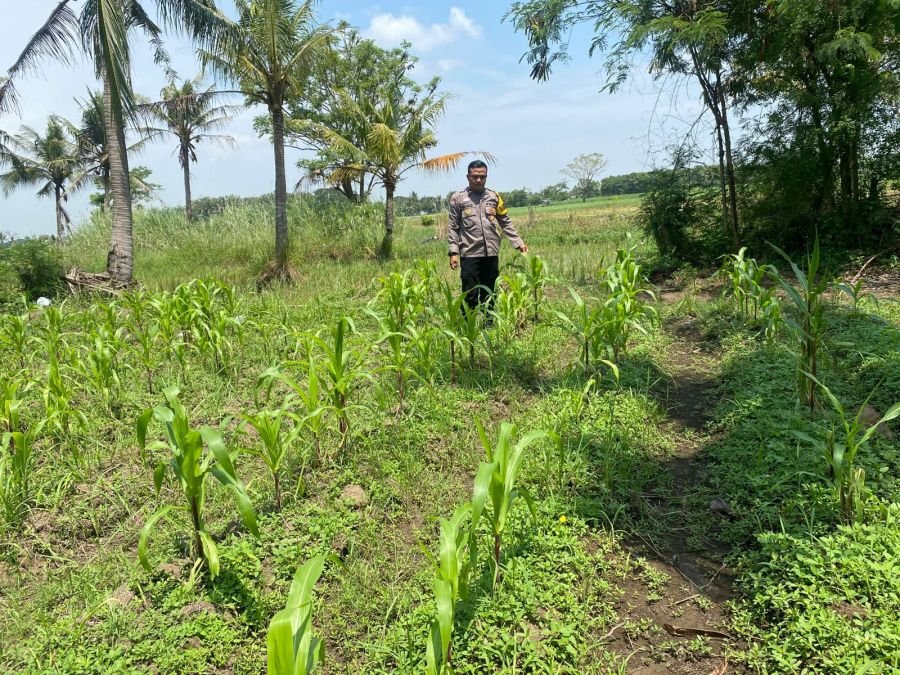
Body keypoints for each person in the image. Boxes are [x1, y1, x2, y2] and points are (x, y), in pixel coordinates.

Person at [447, 161, 528, 310]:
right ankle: (468, 326)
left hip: (490, 252)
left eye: (482, 177)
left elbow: (505, 221)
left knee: (490, 291)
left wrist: (518, 242)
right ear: (468, 177)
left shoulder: (494, 197)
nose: (479, 180)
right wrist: (453, 252)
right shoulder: (458, 199)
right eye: (475, 176)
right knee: (470, 293)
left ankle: (489, 324)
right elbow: (453, 227)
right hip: (470, 253)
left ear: (486, 177)